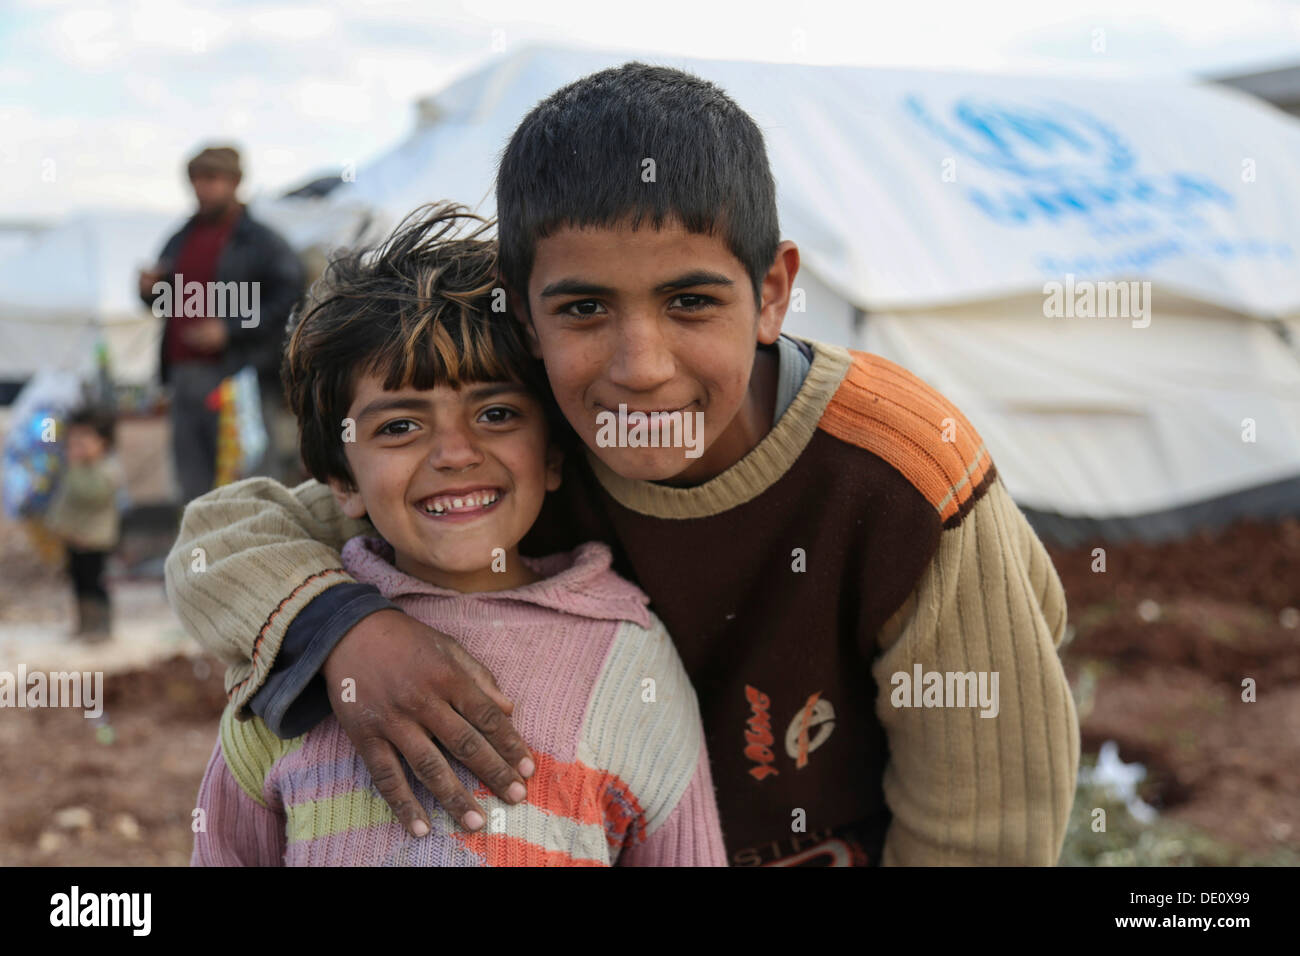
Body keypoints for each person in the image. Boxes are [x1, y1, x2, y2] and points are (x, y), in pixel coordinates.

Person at [165, 64, 1079, 866]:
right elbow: (223, 539)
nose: (639, 367)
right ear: (525, 317)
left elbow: (983, 831)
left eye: (690, 301)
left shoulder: (901, 476)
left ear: (771, 293)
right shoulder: (527, 442)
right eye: (585, 309)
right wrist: (346, 631)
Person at [189, 205, 726, 866]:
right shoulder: (293, 660)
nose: (454, 453)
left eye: (496, 413)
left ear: (554, 452)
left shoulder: (629, 661)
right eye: (399, 427)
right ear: (341, 478)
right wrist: (340, 635)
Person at [138, 145, 305, 502]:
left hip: (239, 377)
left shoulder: (261, 241)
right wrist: (150, 290)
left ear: (235, 182)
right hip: (184, 375)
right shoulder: (181, 237)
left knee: (250, 481)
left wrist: (230, 328)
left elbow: (289, 299)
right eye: (196, 180)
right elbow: (163, 300)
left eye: (212, 179)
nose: (202, 188)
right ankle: (200, 554)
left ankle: (254, 556)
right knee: (192, 482)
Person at [44, 407, 123, 642]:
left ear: (104, 443)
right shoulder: (72, 469)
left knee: (95, 582)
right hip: (74, 538)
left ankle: (101, 625)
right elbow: (63, 501)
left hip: (95, 540)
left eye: (84, 440)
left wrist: (74, 467)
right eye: (74, 439)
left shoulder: (106, 471)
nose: (77, 446)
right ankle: (84, 623)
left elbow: (90, 495)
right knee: (78, 581)